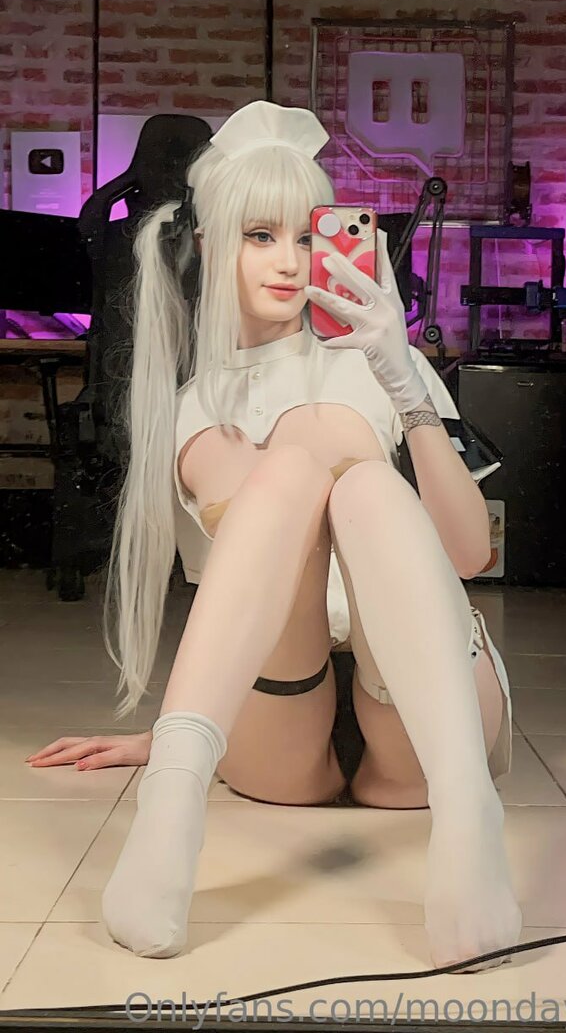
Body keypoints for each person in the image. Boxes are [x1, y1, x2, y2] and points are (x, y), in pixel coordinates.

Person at [26, 101, 522, 971]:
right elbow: (250, 581)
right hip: (282, 712)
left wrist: (405, 383)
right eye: (261, 236)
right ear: (211, 243)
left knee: (366, 484)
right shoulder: (196, 406)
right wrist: (166, 734)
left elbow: (470, 556)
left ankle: (467, 813)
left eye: (307, 234)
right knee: (293, 472)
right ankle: (174, 792)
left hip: (426, 699)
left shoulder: (386, 363)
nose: (291, 262)